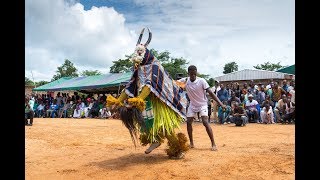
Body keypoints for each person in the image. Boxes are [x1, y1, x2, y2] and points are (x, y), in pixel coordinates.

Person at [106, 28, 189, 159]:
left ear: (145, 54)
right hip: (145, 102)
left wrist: (139, 99)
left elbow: (150, 85)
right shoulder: (137, 68)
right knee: (147, 125)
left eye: (140, 52)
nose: (137, 56)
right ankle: (155, 140)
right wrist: (118, 100)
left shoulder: (154, 66)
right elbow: (130, 85)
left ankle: (178, 150)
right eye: (136, 52)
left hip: (159, 102)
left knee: (164, 127)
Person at [177, 65, 226, 151]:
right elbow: (174, 83)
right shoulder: (185, 81)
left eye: (194, 74)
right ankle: (191, 143)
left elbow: (211, 93)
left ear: (196, 73)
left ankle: (213, 143)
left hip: (202, 104)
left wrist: (221, 104)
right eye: (191, 74)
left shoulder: (202, 81)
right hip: (192, 105)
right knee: (188, 122)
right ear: (188, 73)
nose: (193, 76)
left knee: (205, 122)